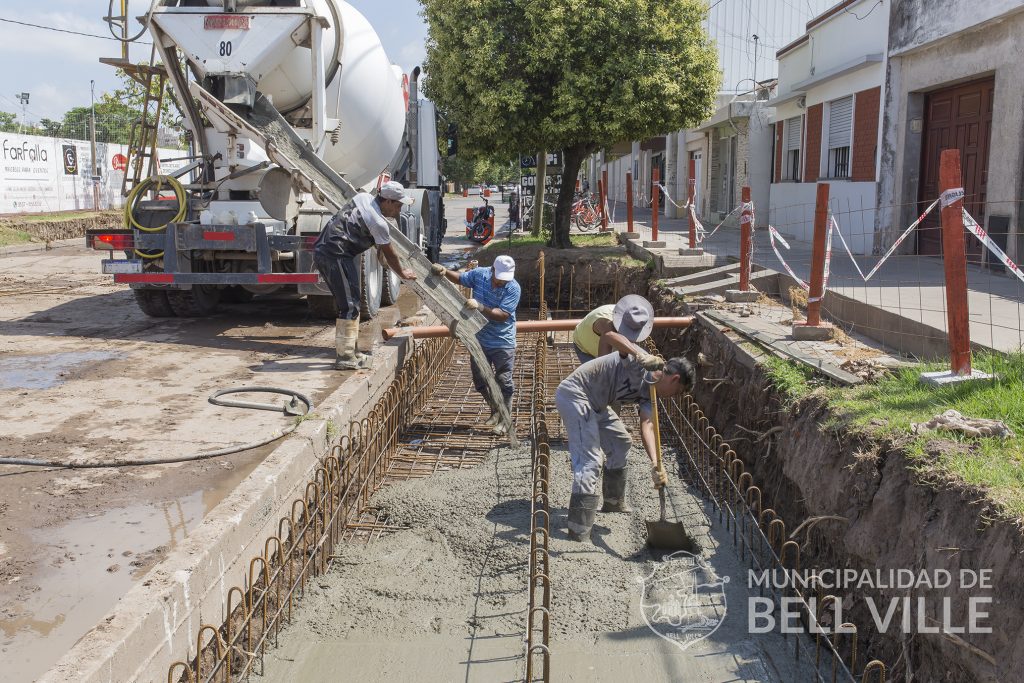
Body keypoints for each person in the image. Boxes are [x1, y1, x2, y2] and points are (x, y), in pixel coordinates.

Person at [555, 321, 695, 542]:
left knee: (621, 442)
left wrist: (656, 463)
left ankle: (613, 502)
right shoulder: (643, 363)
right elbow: (609, 335)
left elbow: (647, 425)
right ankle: (578, 529)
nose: (674, 397)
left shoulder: (652, 394)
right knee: (591, 460)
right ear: (675, 379)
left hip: (597, 404)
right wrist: (638, 354)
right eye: (677, 392)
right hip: (575, 395)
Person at [313, 181, 417, 370]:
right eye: (398, 205)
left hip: (329, 251)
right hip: (335, 256)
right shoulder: (378, 222)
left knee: (353, 302)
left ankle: (352, 351)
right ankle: (345, 357)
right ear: (387, 201)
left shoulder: (363, 198)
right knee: (349, 305)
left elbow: (379, 249)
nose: (399, 210)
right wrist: (402, 272)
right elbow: (390, 254)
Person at [430, 255, 521, 433]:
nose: (502, 282)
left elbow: (503, 315)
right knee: (480, 380)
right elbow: (461, 278)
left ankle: (506, 420)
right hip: (479, 339)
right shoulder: (480, 274)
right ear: (492, 270)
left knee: (504, 380)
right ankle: (495, 410)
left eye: (505, 279)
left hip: (502, 341)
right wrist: (445, 271)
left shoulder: (513, 288)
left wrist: (480, 306)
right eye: (499, 278)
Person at [572, 294, 655, 365]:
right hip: (585, 348)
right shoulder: (606, 321)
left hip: (606, 345)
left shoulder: (633, 320)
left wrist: (625, 356)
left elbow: (623, 345)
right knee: (598, 375)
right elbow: (603, 364)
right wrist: (639, 355)